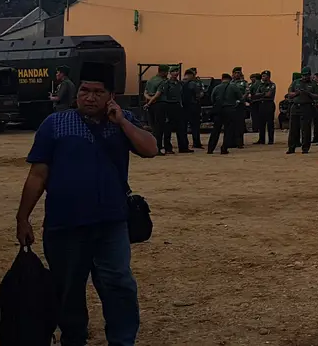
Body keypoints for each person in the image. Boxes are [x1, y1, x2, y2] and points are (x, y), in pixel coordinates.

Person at [15, 61, 157, 346]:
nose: (89, 98)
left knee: (119, 286)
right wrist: (22, 217)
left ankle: (122, 340)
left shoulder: (122, 121)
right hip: (64, 224)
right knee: (67, 290)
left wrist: (123, 122)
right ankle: (73, 339)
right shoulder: (55, 124)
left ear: (111, 96)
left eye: (97, 92)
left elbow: (150, 149)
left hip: (111, 223)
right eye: (84, 91)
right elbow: (37, 174)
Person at [207, 73, 245, 155]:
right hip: (230, 110)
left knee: (215, 130)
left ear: (222, 79)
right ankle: (224, 148)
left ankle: (210, 149)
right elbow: (240, 98)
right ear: (230, 79)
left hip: (218, 110)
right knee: (228, 130)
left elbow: (212, 99)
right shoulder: (233, 86)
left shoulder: (216, 87)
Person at [286, 67, 318, 155]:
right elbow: (289, 93)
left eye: (307, 75)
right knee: (293, 128)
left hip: (307, 106)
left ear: (309, 75)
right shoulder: (296, 82)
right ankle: (291, 147)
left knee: (306, 129)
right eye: (303, 75)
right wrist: (297, 93)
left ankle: (305, 148)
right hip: (295, 106)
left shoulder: (313, 84)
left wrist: (309, 93)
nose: (305, 77)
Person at [159, 66, 188, 154]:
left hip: (178, 106)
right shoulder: (166, 83)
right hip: (169, 106)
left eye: (177, 71)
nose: (176, 73)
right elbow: (164, 95)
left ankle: (183, 147)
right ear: (170, 73)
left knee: (181, 128)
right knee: (168, 128)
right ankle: (168, 148)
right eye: (174, 71)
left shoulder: (179, 84)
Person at [142, 65, 169, 155]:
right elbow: (158, 95)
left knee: (153, 127)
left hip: (151, 106)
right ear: (163, 72)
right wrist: (149, 103)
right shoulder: (163, 82)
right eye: (167, 72)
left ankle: (152, 147)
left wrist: (148, 102)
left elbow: (145, 93)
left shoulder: (150, 80)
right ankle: (157, 148)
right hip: (159, 105)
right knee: (159, 128)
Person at [180, 68, 204, 150]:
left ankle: (184, 144)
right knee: (195, 126)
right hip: (193, 107)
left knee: (183, 127)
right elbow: (198, 95)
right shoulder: (194, 84)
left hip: (182, 107)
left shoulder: (180, 83)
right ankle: (196, 143)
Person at [256, 70, 276, 145]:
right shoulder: (261, 85)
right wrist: (263, 94)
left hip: (269, 104)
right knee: (261, 123)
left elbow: (269, 94)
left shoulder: (272, 84)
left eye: (264, 76)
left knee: (270, 123)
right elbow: (256, 94)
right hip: (262, 104)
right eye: (262, 76)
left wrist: (261, 94)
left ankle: (271, 140)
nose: (263, 77)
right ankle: (261, 139)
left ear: (268, 76)